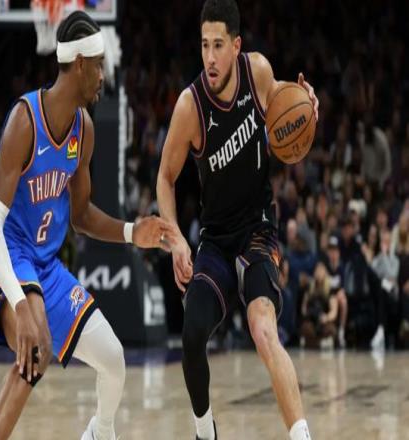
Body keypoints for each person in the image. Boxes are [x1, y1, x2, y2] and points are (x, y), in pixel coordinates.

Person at [0, 11, 175, 440]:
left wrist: (132, 232)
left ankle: (100, 433)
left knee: (114, 360)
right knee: (37, 349)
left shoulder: (83, 130)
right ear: (81, 64)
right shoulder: (25, 121)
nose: (104, 76)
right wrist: (19, 304)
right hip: (11, 257)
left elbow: (82, 216)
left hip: (47, 267)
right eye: (100, 65)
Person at [156, 1, 318, 438]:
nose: (209, 57)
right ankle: (204, 431)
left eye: (218, 45)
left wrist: (308, 102)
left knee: (263, 329)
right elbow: (165, 178)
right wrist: (176, 239)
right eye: (204, 45)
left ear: (236, 46)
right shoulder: (190, 106)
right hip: (215, 240)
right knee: (192, 336)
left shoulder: (257, 71)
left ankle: (301, 435)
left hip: (258, 229)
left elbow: (290, 102)